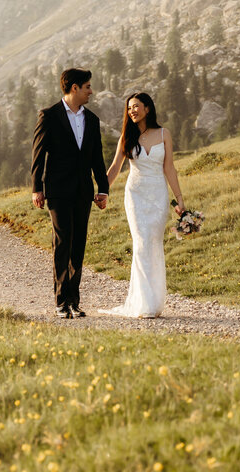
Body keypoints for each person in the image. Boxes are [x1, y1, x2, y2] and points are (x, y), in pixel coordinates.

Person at [31, 68, 110, 318]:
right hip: (57, 190)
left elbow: (97, 157)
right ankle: (60, 301)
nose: (90, 91)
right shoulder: (49, 115)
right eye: (87, 86)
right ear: (74, 88)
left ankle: (74, 301)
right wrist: (37, 188)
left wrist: (103, 188)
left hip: (83, 191)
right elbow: (38, 155)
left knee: (78, 244)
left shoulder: (92, 119)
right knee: (62, 241)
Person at [101, 92, 184, 318]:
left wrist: (179, 200)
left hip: (158, 195)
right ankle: (143, 303)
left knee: (154, 243)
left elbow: (169, 168)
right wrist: (101, 190)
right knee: (141, 242)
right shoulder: (126, 137)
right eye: (129, 108)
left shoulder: (164, 134)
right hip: (135, 195)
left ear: (147, 108)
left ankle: (155, 303)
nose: (132, 111)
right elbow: (115, 167)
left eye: (136, 106)